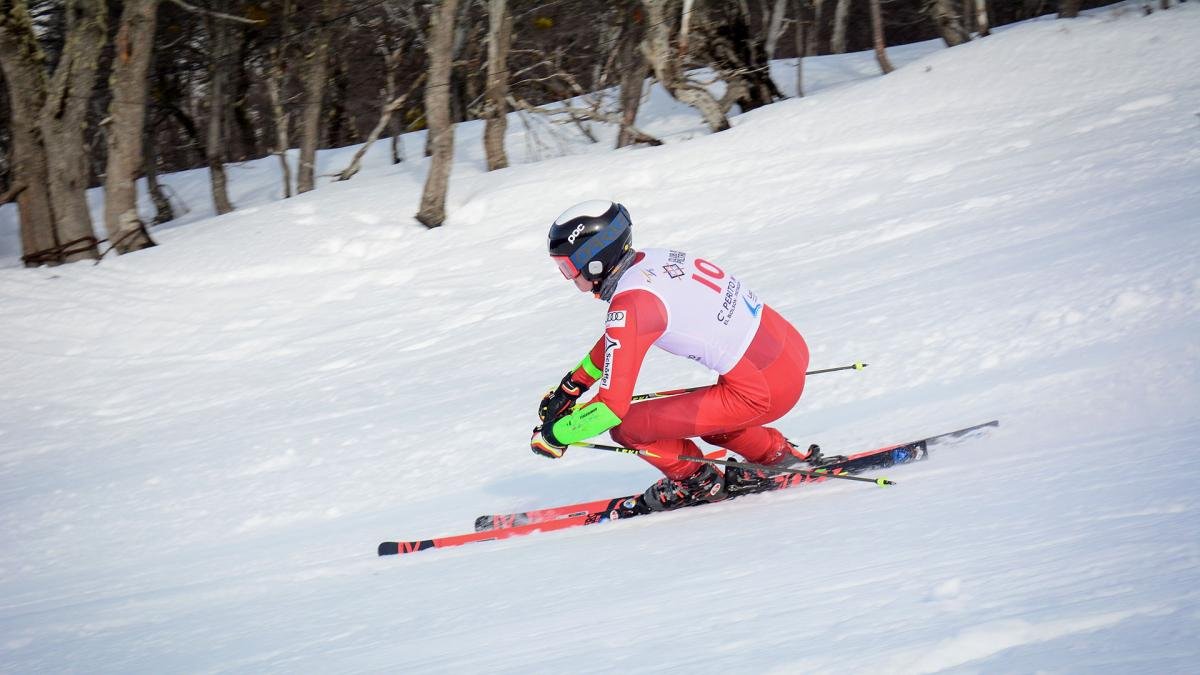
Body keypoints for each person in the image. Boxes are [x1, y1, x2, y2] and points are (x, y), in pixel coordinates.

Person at [529, 200, 817, 511]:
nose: (569, 278)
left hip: (765, 391)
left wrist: (556, 435)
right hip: (786, 353)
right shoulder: (649, 260)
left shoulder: (632, 305)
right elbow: (621, 335)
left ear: (594, 261)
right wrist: (572, 386)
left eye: (568, 268)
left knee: (629, 428)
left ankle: (696, 483)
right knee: (718, 424)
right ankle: (778, 457)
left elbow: (611, 408)